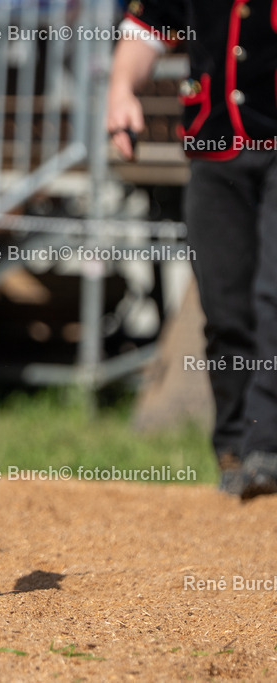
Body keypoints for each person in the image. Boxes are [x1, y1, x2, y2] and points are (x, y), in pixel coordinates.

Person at [107, 1, 277, 499]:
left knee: (275, 299)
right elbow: (147, 26)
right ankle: (235, 446)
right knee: (224, 307)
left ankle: (268, 446)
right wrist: (121, 89)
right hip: (214, 148)